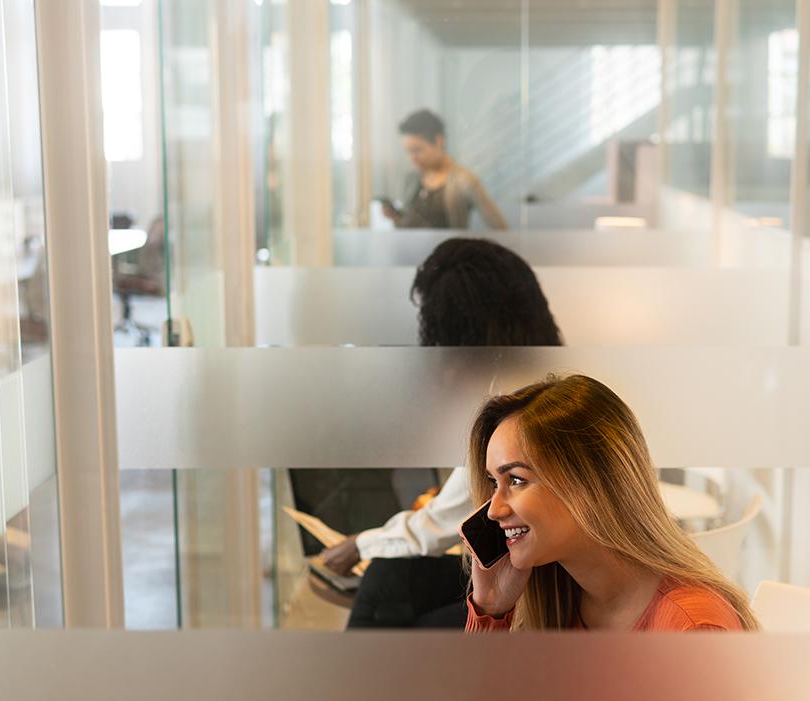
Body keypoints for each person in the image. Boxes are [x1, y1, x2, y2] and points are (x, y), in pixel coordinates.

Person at [321, 237, 562, 627]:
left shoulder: (517, 405)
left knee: (394, 596)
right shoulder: (541, 380)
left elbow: (439, 527)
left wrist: (360, 545)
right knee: (390, 581)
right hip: (530, 569)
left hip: (544, 587)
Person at [464, 374, 760, 632]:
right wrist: (490, 609)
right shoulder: (560, 605)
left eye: (516, 480)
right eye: (494, 483)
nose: (493, 510)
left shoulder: (691, 629)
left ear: (589, 484)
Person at [381, 109, 508, 230]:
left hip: (448, 252)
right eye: (408, 152)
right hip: (411, 251)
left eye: (417, 150)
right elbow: (408, 226)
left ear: (439, 140)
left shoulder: (464, 181)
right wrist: (396, 218)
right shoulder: (412, 179)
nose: (412, 158)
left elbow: (500, 227)